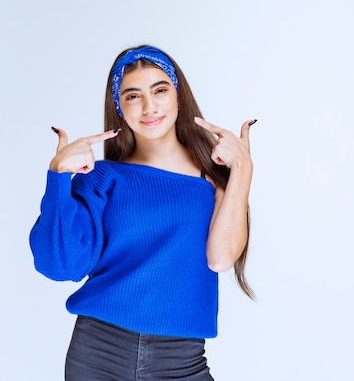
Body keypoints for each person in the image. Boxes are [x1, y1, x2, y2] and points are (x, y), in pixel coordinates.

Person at [29, 45, 255, 380]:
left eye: (160, 90)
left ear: (179, 95)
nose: (149, 107)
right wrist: (59, 178)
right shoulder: (103, 177)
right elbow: (61, 265)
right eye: (133, 96)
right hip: (99, 351)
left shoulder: (214, 179)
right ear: (119, 107)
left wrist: (243, 170)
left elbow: (221, 259)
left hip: (182, 358)